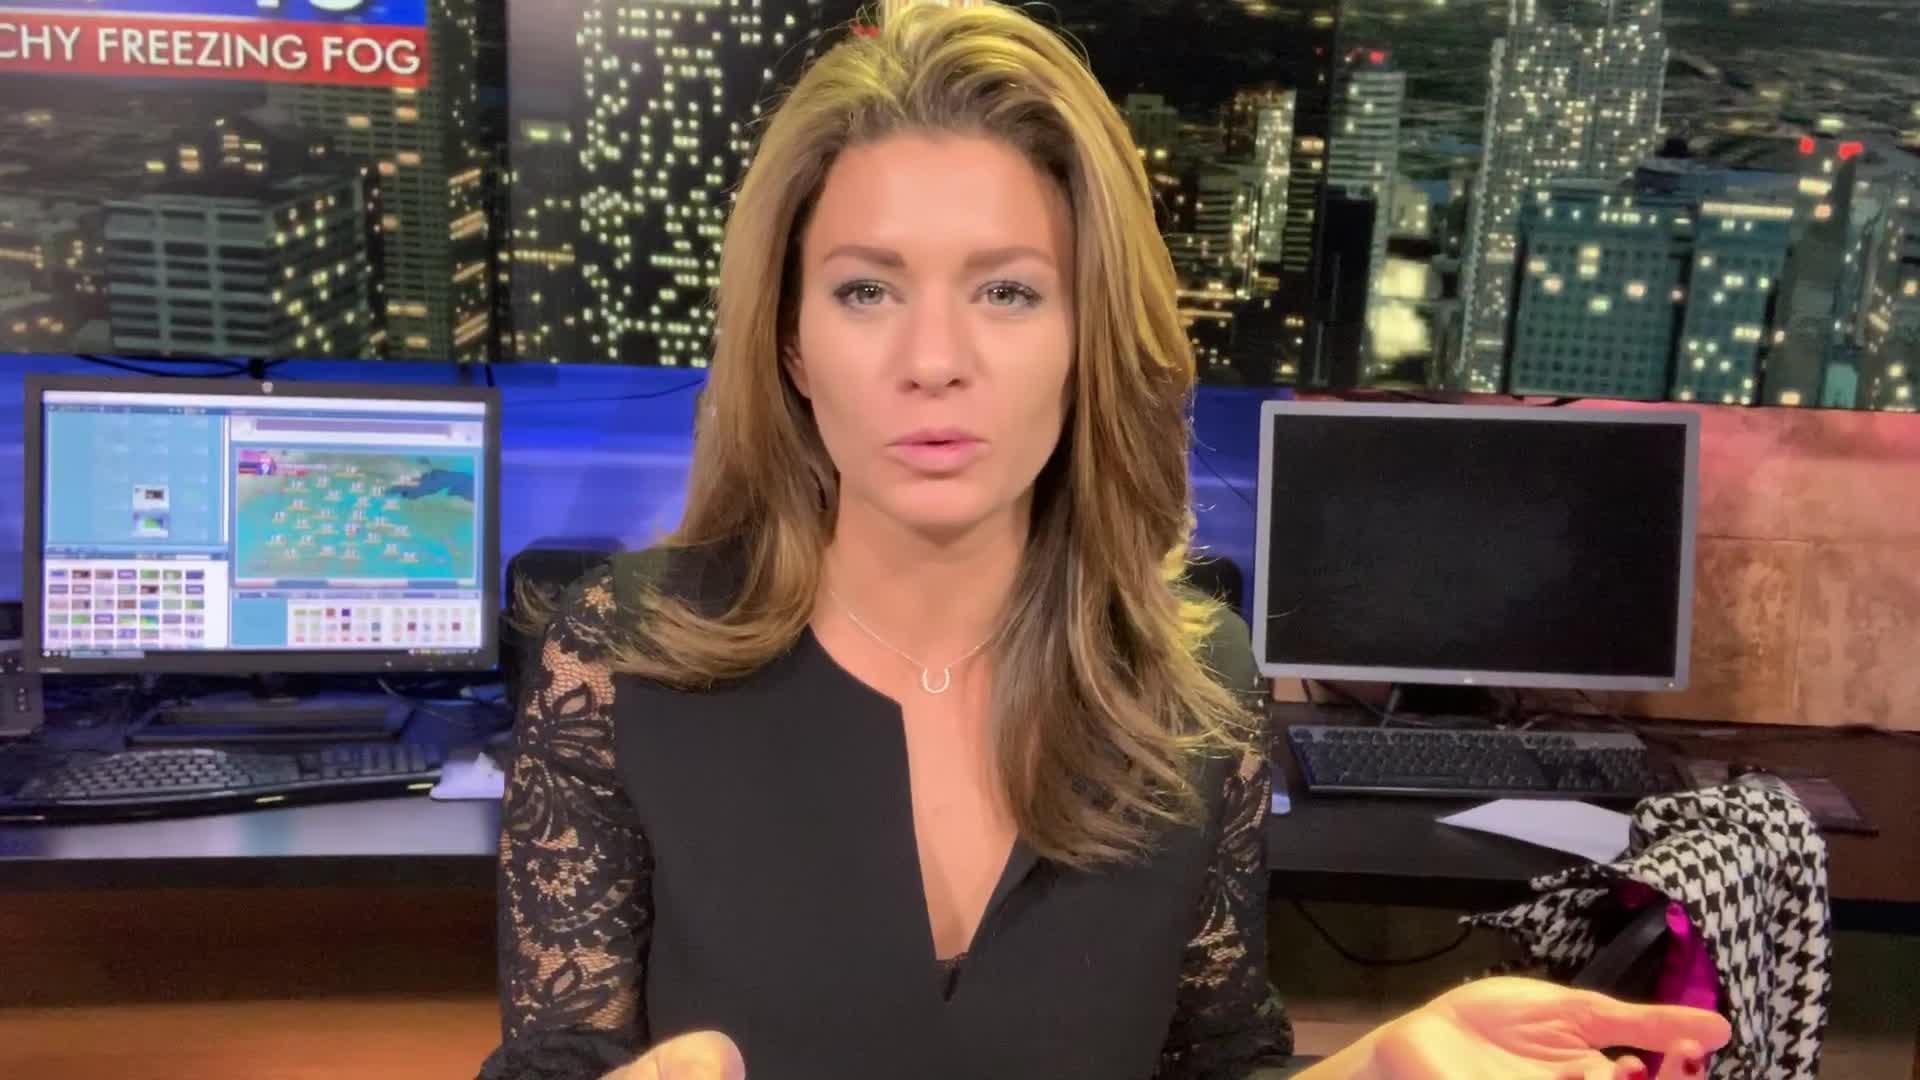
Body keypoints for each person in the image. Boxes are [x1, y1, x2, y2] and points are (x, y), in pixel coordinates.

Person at [477, 4, 1731, 1078]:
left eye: (1007, 290)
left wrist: (1373, 1066)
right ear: (792, 343)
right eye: (867, 289)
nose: (933, 360)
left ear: (1087, 336)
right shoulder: (623, 659)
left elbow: (1218, 1061)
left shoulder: (1193, 684)